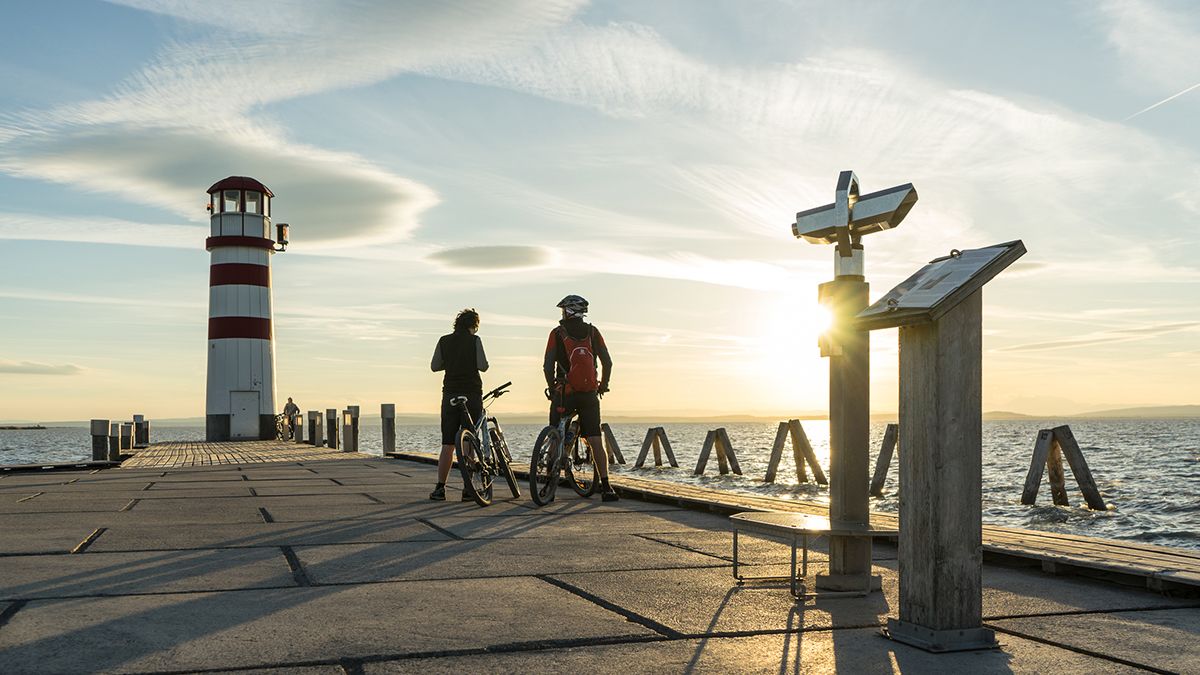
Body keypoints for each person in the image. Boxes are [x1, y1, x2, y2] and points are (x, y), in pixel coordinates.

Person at [543, 294, 618, 501]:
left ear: (567, 311)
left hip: (564, 393)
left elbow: (547, 365)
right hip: (589, 394)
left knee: (554, 436)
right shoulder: (593, 332)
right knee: (594, 438)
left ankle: (549, 484)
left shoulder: (557, 334)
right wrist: (603, 385)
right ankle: (606, 487)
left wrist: (551, 388)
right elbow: (608, 363)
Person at [430, 308, 489, 501]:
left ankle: (440, 488)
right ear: (474, 325)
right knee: (468, 441)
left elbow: (435, 366)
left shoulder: (444, 340)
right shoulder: (475, 340)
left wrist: (451, 362)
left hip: (450, 394)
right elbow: (483, 365)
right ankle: (468, 488)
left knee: (448, 443)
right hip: (471, 393)